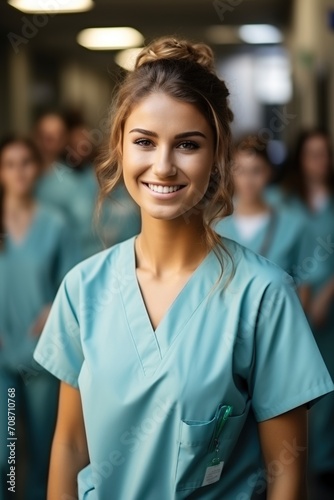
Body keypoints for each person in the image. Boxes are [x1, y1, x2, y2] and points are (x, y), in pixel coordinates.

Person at [33, 37, 333, 500]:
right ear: (120, 147)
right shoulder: (83, 289)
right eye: (144, 142)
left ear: (218, 155)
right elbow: (71, 445)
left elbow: (286, 474)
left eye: (188, 144)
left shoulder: (262, 295)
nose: (164, 165)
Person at [0, 137, 80, 500]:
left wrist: (52, 306)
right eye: (9, 164)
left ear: (37, 168)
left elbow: (70, 281)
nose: (18, 172)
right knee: (6, 452)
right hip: (2, 352)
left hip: (39, 351)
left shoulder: (55, 223)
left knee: (46, 448)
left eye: (25, 163)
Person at [284, 130, 334, 499]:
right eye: (311, 154)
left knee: (328, 389)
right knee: (296, 390)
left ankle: (324, 467)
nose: (319, 161)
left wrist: (324, 296)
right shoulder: (285, 204)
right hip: (293, 305)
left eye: (324, 154)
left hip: (329, 308)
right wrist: (302, 299)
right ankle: (298, 464)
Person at [214, 136, 312, 307]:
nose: (248, 181)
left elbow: (304, 285)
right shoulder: (215, 225)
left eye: (256, 170)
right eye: (241, 170)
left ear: (269, 172)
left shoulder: (293, 225)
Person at [36, 114, 141, 259]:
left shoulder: (93, 179)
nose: (80, 147)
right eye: (47, 137)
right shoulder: (51, 183)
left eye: (85, 143)